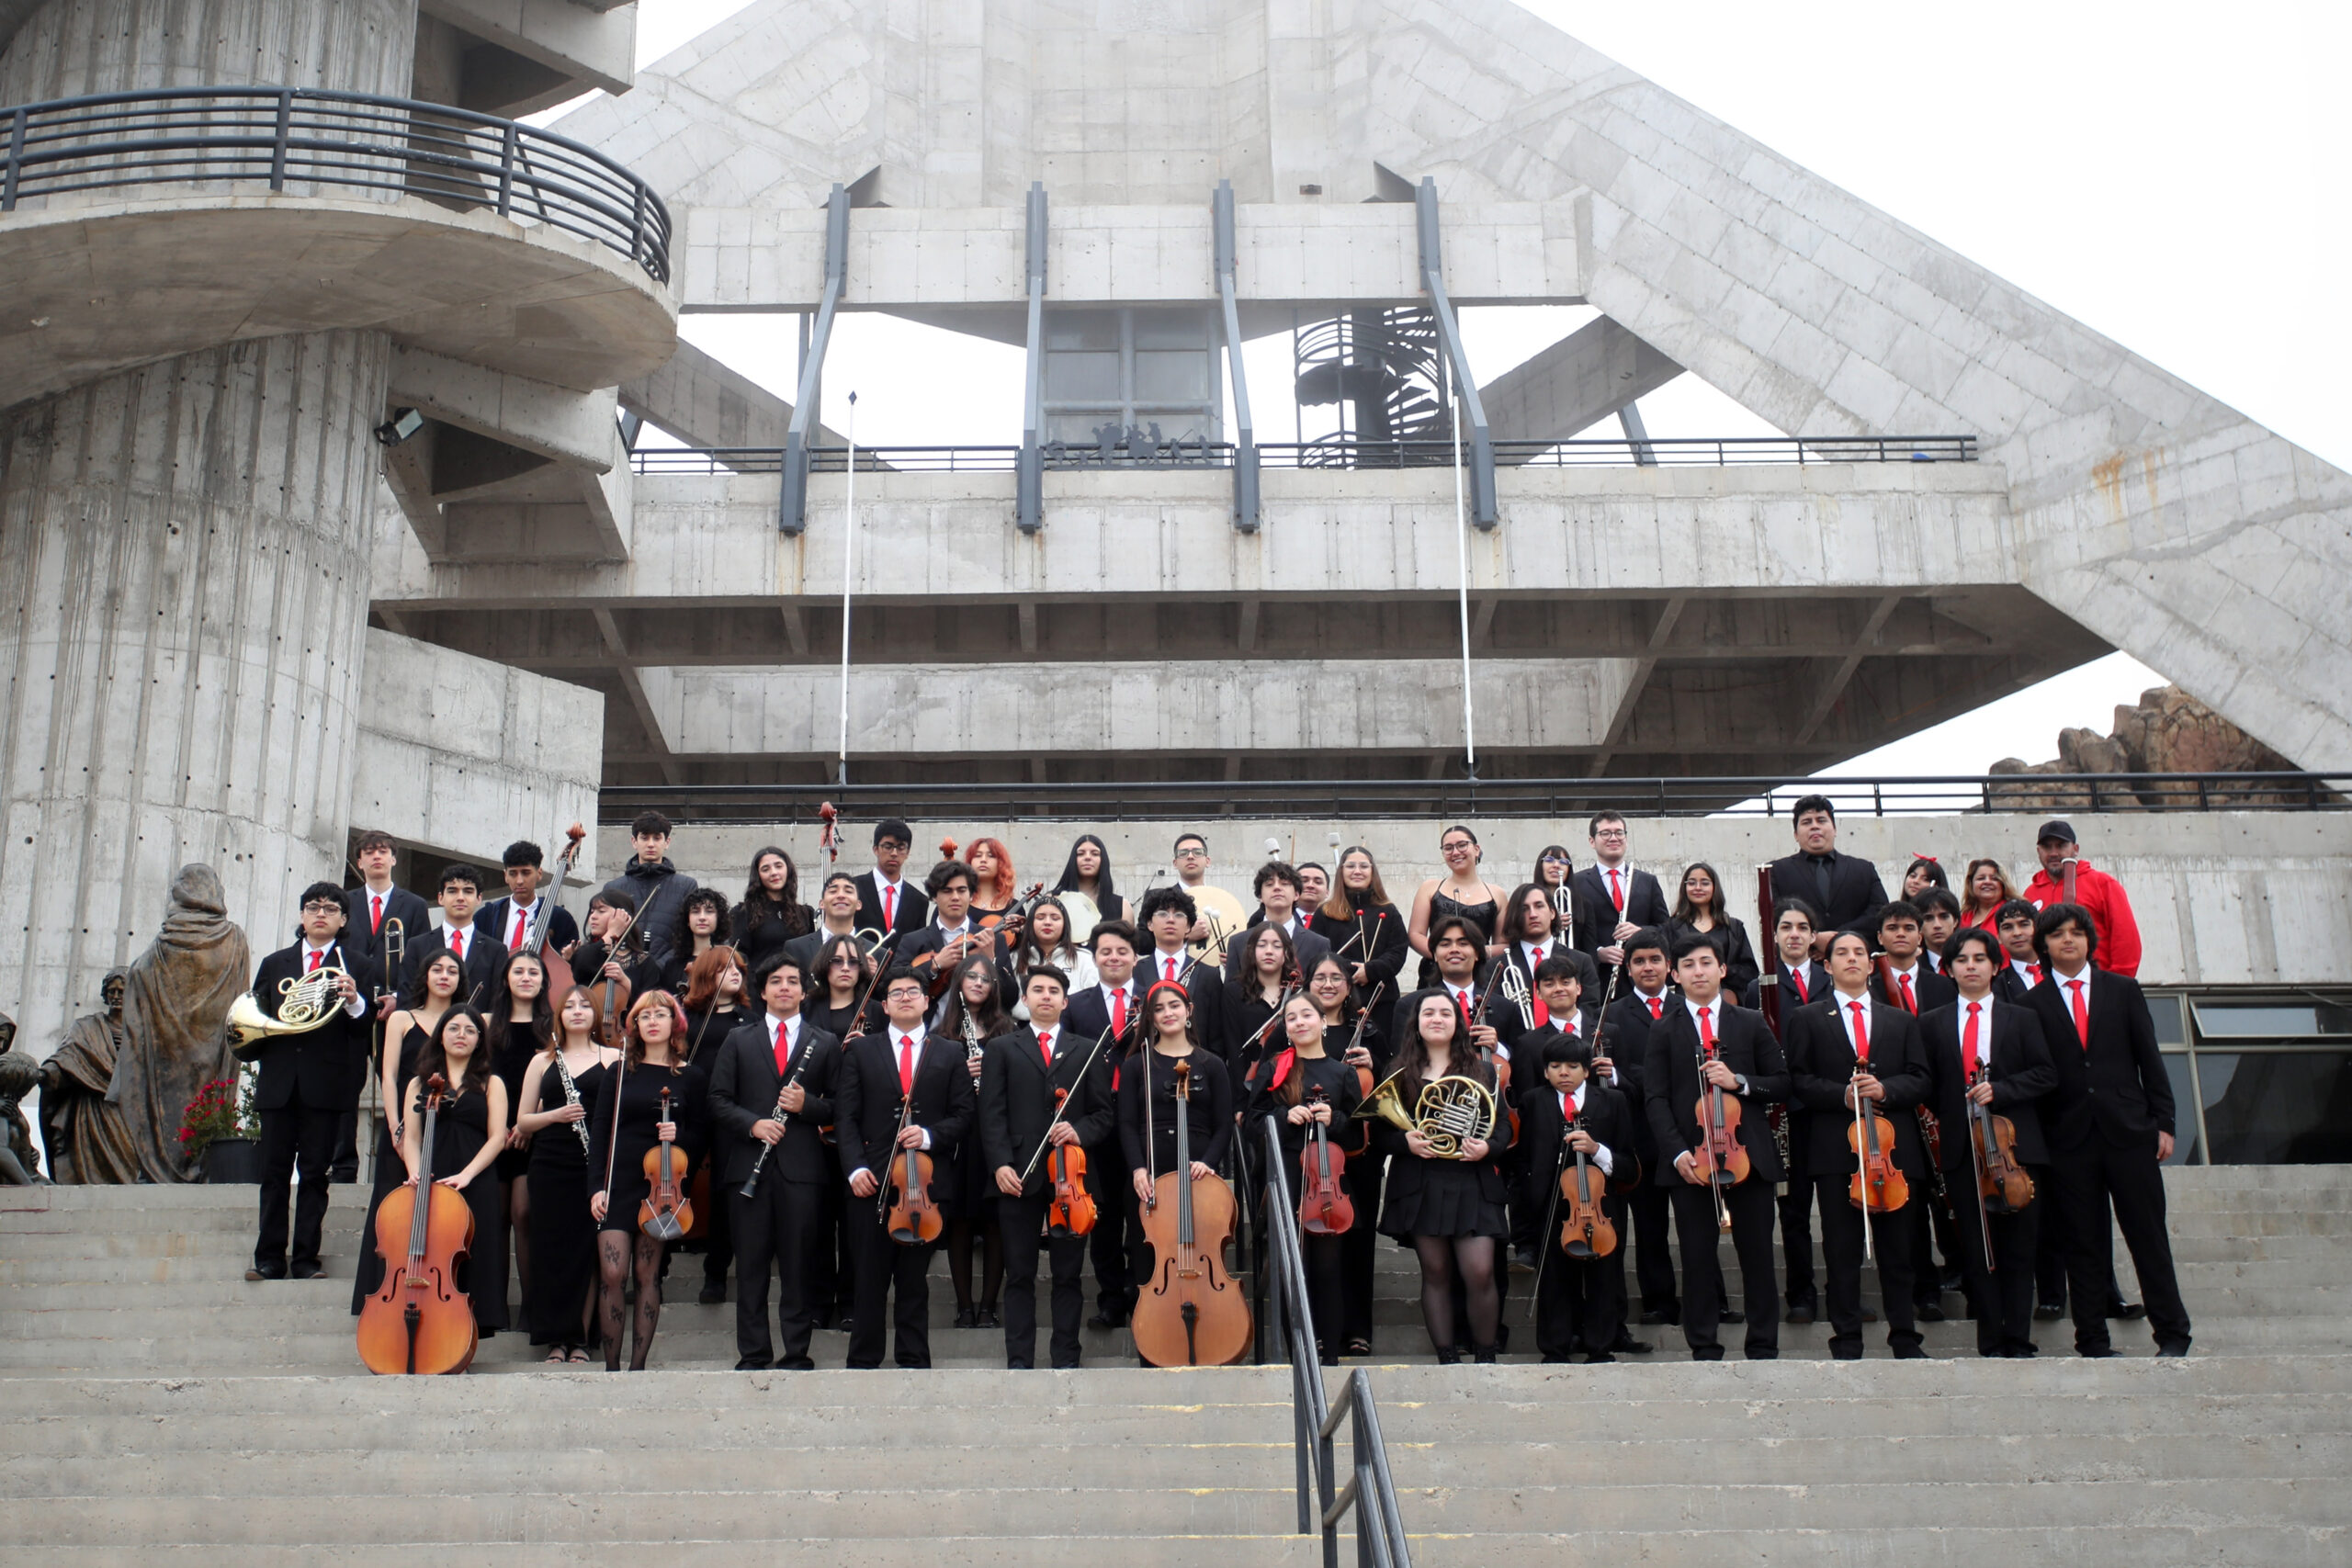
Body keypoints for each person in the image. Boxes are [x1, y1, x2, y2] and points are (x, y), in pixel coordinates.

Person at [2021, 904, 2190, 1358]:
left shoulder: (2122, 990)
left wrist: (2164, 1123)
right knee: (2083, 1243)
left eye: (2077, 933)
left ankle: (2173, 1335)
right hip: (2069, 1140)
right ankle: (2092, 1339)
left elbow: (2149, 1060)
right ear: (2045, 945)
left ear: (2090, 941)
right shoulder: (2029, 1005)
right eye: (2058, 935)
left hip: (2130, 1133)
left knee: (2148, 1237)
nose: (2069, 941)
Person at [1786, 931, 1930, 1359]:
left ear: (1872, 964)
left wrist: (1884, 1090)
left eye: (1860, 953)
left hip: (1893, 1151)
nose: (1852, 959)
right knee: (1841, 1249)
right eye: (1841, 954)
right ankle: (1846, 1340)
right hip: (1835, 1150)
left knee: (1899, 1250)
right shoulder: (1808, 1018)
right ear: (1826, 967)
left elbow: (1921, 1078)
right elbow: (1798, 1079)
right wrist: (1841, 1096)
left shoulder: (1901, 1019)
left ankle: (1905, 1337)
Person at [1643, 931, 1785, 1361]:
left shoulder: (1750, 1022)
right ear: (1675, 974)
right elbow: (1656, 1098)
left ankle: (1763, 1345)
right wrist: (1677, 1152)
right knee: (1697, 1258)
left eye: (1706, 963)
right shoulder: (1664, 1029)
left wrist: (1739, 1082)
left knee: (1758, 1256)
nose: (1698, 972)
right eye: (1688, 965)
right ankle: (1704, 1345)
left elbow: (1781, 1083)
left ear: (1722, 969)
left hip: (1748, 1159)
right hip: (1691, 1162)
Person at [1921, 928, 2057, 1358]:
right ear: (1949, 969)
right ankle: (1989, 1340)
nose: (1971, 966)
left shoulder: (2023, 1018)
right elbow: (1927, 1083)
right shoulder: (1932, 1022)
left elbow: (2045, 1074)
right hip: (1963, 1151)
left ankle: (2018, 1337)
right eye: (1962, 960)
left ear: (1996, 966)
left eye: (1980, 959)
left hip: (2014, 1149)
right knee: (1977, 1249)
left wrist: (2001, 1090)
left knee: (2018, 1246)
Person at [706, 955, 842, 1371]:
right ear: (762, 992)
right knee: (750, 1268)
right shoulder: (738, 1040)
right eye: (776, 982)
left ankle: (796, 1352)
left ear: (805, 991)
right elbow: (717, 1100)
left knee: (799, 1266)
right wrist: (754, 1125)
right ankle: (753, 1353)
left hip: (802, 1173)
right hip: (748, 1168)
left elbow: (839, 1107)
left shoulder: (825, 1041)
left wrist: (808, 1105)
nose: (785, 987)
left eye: (793, 981)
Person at [836, 966, 972, 1370]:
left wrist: (928, 1136)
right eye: (897, 993)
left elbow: (964, 1114)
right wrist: (855, 1169)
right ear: (885, 1005)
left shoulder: (949, 1052)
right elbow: (846, 1117)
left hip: (925, 1188)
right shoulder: (861, 1051)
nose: (906, 998)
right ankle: (863, 1361)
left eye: (914, 991)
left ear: (927, 1001)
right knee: (868, 1279)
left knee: (914, 1281)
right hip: (872, 1181)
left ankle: (913, 1361)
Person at [981, 965, 1116, 1369]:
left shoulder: (1087, 1048)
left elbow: (1103, 1114)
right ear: (1024, 999)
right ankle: (1020, 1359)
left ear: (1065, 1001)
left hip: (1069, 1178)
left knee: (1068, 1274)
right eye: (1037, 990)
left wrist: (1078, 1130)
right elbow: (991, 1114)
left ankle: (1065, 1358)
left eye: (1053, 990)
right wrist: (1000, 1165)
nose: (1045, 996)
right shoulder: (1002, 1049)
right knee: (1019, 1273)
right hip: (1018, 1176)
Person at [1372, 989, 1512, 1363]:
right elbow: (1380, 1133)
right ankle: (1447, 1357)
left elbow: (1502, 1131)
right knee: (1435, 1273)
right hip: (1421, 1180)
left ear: (1457, 1023)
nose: (1437, 1019)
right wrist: (1406, 1142)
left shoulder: (1482, 1070)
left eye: (1445, 1013)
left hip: (1472, 1180)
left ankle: (1485, 1356)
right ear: (1415, 1024)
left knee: (1481, 1271)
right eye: (1428, 1013)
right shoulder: (1398, 1072)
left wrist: (1487, 1149)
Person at [246, 883, 372, 1282]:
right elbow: (257, 1015)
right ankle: (268, 1258)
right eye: (313, 907)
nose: (321, 913)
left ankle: (305, 1260)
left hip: (325, 1084)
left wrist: (354, 1000)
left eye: (331, 908)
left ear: (343, 919)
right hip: (280, 1083)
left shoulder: (357, 965)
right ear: (302, 916)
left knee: (316, 1175)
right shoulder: (275, 962)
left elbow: (363, 1031)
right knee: (274, 1174)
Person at [588, 990, 708, 1371]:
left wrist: (680, 1137)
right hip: (619, 1180)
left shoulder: (691, 1076)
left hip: (664, 1187)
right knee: (613, 1271)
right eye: (645, 1016)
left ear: (675, 1023)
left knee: (646, 1274)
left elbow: (703, 1137)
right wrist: (596, 1187)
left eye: (661, 1014)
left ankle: (637, 1368)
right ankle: (611, 1367)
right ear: (635, 1025)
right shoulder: (619, 1073)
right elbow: (601, 1131)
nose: (653, 1021)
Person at [1118, 979, 1238, 1348]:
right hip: (1148, 1175)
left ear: (1188, 1011)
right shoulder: (1138, 1065)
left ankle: (1206, 1336)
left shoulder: (1210, 1064)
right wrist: (1138, 1168)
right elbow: (1125, 1123)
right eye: (1159, 1008)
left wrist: (1208, 1162)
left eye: (1174, 1006)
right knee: (1147, 1258)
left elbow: (1223, 1124)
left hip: (1196, 1175)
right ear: (1150, 1018)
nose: (1167, 1013)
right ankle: (1153, 1343)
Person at [1247, 991, 1365, 1363]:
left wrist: (1337, 1120)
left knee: (1328, 1267)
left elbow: (1358, 1136)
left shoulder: (1343, 1072)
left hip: (1327, 1182)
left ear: (1323, 1022)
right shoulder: (1274, 1068)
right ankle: (1297, 1348)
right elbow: (1253, 1123)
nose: (1298, 1022)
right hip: (1287, 1175)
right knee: (1290, 1263)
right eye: (1291, 1018)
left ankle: (1328, 1352)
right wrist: (1284, 1117)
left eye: (1306, 1015)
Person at [350, 948, 462, 1314]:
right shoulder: (400, 1018)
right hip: (404, 1123)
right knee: (392, 1215)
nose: (444, 976)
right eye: (437, 969)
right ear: (425, 976)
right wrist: (397, 1127)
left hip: (446, 1128)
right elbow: (389, 1074)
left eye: (452, 970)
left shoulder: (463, 1021)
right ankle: (382, 1298)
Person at [514, 986, 619, 1362]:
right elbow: (523, 1121)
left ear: (595, 1015)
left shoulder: (613, 1057)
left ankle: (580, 1339)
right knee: (550, 1252)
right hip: (549, 1164)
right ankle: (554, 1339)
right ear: (559, 1014)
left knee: (585, 1252)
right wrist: (556, 1115)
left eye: (584, 1006)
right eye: (569, 1006)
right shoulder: (542, 1061)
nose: (577, 1011)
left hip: (592, 1167)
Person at [395, 1003, 510, 1333]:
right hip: (429, 1179)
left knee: (474, 1256)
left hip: (475, 1178)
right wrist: (415, 1173)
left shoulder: (492, 1083)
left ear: (479, 1040)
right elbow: (412, 1139)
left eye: (470, 1030)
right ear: (440, 1036)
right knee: (430, 1256)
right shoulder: (419, 1085)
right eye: (454, 1028)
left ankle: (464, 1338)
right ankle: (428, 1334)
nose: (462, 1035)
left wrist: (467, 1175)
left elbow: (497, 1137)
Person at [1523, 1032, 1634, 1363]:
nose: (1563, 1073)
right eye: (1555, 1066)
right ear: (1545, 1072)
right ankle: (1555, 1347)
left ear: (1587, 1070)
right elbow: (1524, 1156)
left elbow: (1629, 1161)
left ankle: (1600, 1345)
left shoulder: (1612, 1101)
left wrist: (1598, 1151)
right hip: (1552, 1203)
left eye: (1573, 1066)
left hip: (1601, 1205)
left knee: (1603, 1277)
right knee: (1555, 1278)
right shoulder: (1533, 1101)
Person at [1744, 897, 1829, 1325]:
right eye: (1786, 927)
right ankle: (1802, 1294)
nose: (1794, 934)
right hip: (1784, 1109)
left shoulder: (1830, 979)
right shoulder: (1760, 985)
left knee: (1835, 1208)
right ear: (1774, 935)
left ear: (1813, 937)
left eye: (1802, 927)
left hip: (1829, 1110)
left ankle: (1842, 1291)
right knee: (1793, 1209)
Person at [1064, 920, 1146, 1329]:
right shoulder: (1076, 1005)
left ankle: (1142, 1292)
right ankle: (1112, 1297)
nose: (1114, 958)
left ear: (1135, 957)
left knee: (1142, 1211)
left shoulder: (1153, 1000)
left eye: (1121, 952)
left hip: (1143, 1119)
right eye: (1105, 952)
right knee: (1105, 1213)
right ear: (1093, 958)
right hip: (1096, 1122)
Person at [1600, 928, 1678, 1335]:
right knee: (1648, 1227)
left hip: (1685, 1136)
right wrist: (1662, 1079)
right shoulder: (1612, 1014)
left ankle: (1710, 1299)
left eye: (1655, 960)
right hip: (1638, 1137)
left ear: (1670, 965)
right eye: (1639, 961)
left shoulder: (1685, 1007)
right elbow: (1619, 1074)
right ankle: (1657, 1302)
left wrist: (1646, 1077)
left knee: (1689, 1227)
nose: (1648, 967)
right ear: (1627, 968)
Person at [340, 830, 430, 1178]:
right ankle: (344, 1165)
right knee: (346, 1085)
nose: (376, 857)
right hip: (352, 1009)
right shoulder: (344, 902)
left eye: (383, 851)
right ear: (359, 861)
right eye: (368, 852)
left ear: (393, 859)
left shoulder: (415, 905)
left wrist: (401, 1000)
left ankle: (406, 1159)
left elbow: (422, 958)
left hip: (396, 1012)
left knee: (401, 1082)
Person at [938, 953, 1011, 1330]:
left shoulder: (1006, 1030)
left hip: (993, 1135)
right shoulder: (943, 1034)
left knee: (995, 1221)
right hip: (959, 1139)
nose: (979, 983)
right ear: (960, 983)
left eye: (986, 978)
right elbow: (932, 1090)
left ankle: (988, 1306)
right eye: (972, 977)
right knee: (961, 1222)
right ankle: (964, 1307)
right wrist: (960, 1072)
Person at [486, 947, 555, 1325]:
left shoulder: (552, 1028)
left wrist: (530, 1121)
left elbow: (557, 1079)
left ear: (544, 981)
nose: (526, 978)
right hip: (494, 1133)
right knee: (495, 1218)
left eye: (534, 972)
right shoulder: (487, 1025)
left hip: (536, 1133)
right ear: (506, 980)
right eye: (519, 972)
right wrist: (503, 1128)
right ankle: (495, 1308)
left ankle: (532, 1308)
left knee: (523, 1213)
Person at [1768, 795, 1890, 958]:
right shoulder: (1776, 870)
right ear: (1796, 834)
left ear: (1835, 829)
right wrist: (1814, 939)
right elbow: (1773, 916)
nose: (1814, 826)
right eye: (1806, 822)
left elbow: (1880, 913)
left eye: (1821, 820)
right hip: (1803, 965)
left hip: (1854, 961)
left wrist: (1838, 938)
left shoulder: (1863, 869)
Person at [2022, 821, 2143, 977]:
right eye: (2047, 847)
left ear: (2076, 849)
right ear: (2039, 851)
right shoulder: (2031, 893)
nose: (2053, 853)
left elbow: (2126, 938)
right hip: (2050, 987)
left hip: (2098, 983)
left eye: (2060, 846)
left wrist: (2117, 985)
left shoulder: (2102, 884)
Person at [1570, 813, 1670, 991]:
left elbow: (1667, 928)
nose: (1613, 838)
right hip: (1598, 979)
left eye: (1619, 833)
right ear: (1592, 841)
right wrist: (1597, 953)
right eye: (1605, 833)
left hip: (1642, 979)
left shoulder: (1648, 881)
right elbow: (1573, 935)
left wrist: (1641, 931)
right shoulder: (1577, 883)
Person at [1408, 825, 1509, 987]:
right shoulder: (1429, 888)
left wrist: (1477, 953)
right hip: (1435, 973)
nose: (1455, 852)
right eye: (1448, 848)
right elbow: (1415, 934)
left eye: (1462, 845)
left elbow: (1504, 945)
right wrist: (1444, 955)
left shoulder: (1497, 894)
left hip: (1481, 974)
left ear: (1476, 849)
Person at [600, 812, 700, 973]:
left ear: (667, 842)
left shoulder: (686, 886)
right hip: (624, 975)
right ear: (634, 842)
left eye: (657, 838)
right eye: (644, 838)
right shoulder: (613, 888)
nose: (651, 844)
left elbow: (689, 935)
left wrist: (658, 966)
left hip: (669, 974)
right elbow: (604, 934)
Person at [1495, 881, 1600, 1029]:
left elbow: (1590, 1010)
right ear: (1515, 916)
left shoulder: (1581, 961)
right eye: (1524, 909)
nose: (1533, 914)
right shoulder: (1498, 966)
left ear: (1552, 912)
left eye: (1539, 906)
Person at [1136, 886, 1229, 1055]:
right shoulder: (1135, 972)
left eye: (1179, 915)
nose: (1170, 920)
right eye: (1162, 914)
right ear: (1149, 924)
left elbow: (1217, 1036)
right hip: (1147, 1066)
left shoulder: (1209, 975)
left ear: (1188, 927)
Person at [1310, 845, 1408, 995]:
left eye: (1364, 866)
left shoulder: (1389, 911)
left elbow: (1398, 952)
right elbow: (1316, 955)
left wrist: (1370, 971)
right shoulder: (1324, 912)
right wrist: (1347, 973)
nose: (1357, 871)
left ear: (1372, 872)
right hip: (1336, 994)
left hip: (1381, 997)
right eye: (1350, 866)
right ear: (1341, 871)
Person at [404, 863, 506, 1002]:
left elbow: (497, 1005)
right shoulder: (417, 946)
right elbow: (407, 999)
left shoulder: (496, 951)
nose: (460, 897)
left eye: (468, 891)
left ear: (479, 898)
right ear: (440, 898)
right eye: (452, 891)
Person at [476, 840, 581, 972]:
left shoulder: (560, 919)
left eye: (526, 873)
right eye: (513, 874)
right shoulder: (486, 916)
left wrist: (570, 957)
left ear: (539, 874)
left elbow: (572, 970)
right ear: (505, 876)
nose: (519, 881)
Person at [1664, 862, 1759, 1000]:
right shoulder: (1671, 927)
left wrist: (1719, 971)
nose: (1698, 888)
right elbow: (1666, 973)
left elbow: (1750, 972)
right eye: (1691, 883)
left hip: (1728, 1001)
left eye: (1705, 883)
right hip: (1686, 1000)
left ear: (1715, 887)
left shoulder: (1733, 927)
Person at [1226, 921, 1299, 1096]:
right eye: (1262, 945)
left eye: (1276, 945)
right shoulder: (1234, 991)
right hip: (1250, 1085)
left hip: (1294, 1084)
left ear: (1286, 953)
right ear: (1251, 951)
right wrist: (1240, 1102)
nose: (1269, 951)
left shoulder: (1298, 993)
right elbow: (1233, 1047)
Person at [1222, 863, 1333, 976]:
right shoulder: (1238, 942)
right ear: (1260, 896)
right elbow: (1232, 990)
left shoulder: (1319, 944)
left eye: (1284, 884)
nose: (1277, 888)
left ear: (1296, 894)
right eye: (1269, 884)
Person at [731, 846, 814, 976]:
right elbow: (740, 958)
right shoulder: (744, 913)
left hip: (796, 986)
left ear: (788, 870)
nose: (774, 872)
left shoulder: (805, 913)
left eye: (779, 866)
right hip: (759, 988)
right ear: (758, 875)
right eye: (766, 869)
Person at [1870, 901, 1957, 1018]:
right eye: (1892, 928)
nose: (1901, 934)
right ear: (1880, 937)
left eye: (1909, 928)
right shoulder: (1870, 988)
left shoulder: (1943, 985)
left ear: (1919, 938)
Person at [1011, 896, 1097, 1012]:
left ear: (1065, 924)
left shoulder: (1084, 959)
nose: (1047, 922)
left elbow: (1093, 1001)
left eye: (1055, 918)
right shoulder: (1014, 958)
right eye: (1040, 918)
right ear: (1031, 923)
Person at [1171, 832, 1248, 961]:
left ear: (1208, 861)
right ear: (1175, 863)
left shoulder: (1224, 902)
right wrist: (1185, 935)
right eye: (1183, 853)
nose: (1190, 856)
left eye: (1197, 852)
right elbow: (1145, 943)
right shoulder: (1160, 899)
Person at [571, 891, 660, 1001]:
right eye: (592, 912)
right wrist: (613, 932)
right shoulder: (587, 952)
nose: (593, 916)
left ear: (623, 916)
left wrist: (624, 981)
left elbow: (651, 1002)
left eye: (601, 911)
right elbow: (580, 967)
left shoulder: (644, 962)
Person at [854, 818, 930, 937]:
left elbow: (918, 945)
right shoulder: (853, 889)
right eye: (888, 846)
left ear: (907, 852)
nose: (894, 853)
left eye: (901, 848)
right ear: (875, 849)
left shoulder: (919, 900)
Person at [784, 872, 871, 971]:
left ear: (858, 905)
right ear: (822, 904)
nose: (841, 895)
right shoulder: (796, 948)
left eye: (848, 891)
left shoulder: (877, 952)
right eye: (833, 891)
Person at [680, 946, 752, 1063]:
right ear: (707, 972)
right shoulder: (686, 1019)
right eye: (727, 967)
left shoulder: (751, 1019)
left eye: (738, 968)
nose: (736, 972)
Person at [806, 933, 880, 1041]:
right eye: (837, 961)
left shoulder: (877, 1011)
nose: (846, 968)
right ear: (825, 964)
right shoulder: (806, 1007)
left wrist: (866, 1046)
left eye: (853, 962)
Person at [660, 887, 732, 996]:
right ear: (687, 920)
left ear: (718, 918)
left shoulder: (731, 960)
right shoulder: (673, 966)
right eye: (695, 911)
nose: (702, 917)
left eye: (709, 911)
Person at [1051, 833, 1124, 931]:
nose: (1088, 857)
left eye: (1095, 853)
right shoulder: (1053, 900)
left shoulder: (1123, 906)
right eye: (1081, 854)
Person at [1959, 858, 2021, 932]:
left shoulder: (2015, 911)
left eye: (1994, 879)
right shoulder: (1963, 917)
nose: (1987, 882)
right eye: (1981, 878)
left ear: (2003, 884)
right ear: (1971, 884)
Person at [967, 837, 1018, 922]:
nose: (983, 860)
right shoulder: (955, 904)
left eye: (991, 856)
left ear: (1001, 863)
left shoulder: (1015, 908)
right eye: (977, 855)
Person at [1915, 887, 1962, 973]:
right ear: (1918, 926)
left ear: (1955, 921)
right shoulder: (1913, 968)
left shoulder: (1970, 964)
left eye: (1944, 917)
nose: (1937, 925)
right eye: (1928, 918)